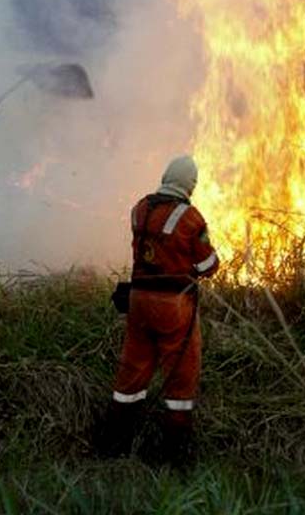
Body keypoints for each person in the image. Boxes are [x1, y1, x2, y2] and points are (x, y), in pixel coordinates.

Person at [100, 155, 219, 466]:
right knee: (181, 374)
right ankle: (175, 455)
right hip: (173, 305)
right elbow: (207, 266)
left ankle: (115, 446)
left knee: (132, 371)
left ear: (165, 176)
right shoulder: (191, 218)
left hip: (138, 301)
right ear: (191, 185)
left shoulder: (140, 208)